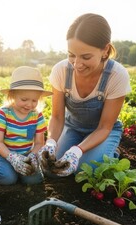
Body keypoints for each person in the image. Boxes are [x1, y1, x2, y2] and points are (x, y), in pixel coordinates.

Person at [38, 13, 131, 177]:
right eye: (71, 55)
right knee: (52, 169)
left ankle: (109, 152)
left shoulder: (116, 75)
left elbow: (104, 127)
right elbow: (58, 117)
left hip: (101, 131)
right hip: (72, 126)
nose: (77, 64)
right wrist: (51, 141)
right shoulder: (61, 71)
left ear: (105, 50)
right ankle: (92, 153)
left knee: (84, 171)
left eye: (85, 57)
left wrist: (77, 150)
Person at [0, 66, 52, 185]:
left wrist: (32, 156)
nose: (29, 104)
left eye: (34, 100)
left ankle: (20, 170)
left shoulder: (37, 116)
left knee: (34, 180)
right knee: (7, 179)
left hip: (26, 155)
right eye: (24, 99)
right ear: (12, 96)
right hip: (5, 154)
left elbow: (39, 142)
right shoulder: (3, 113)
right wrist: (12, 157)